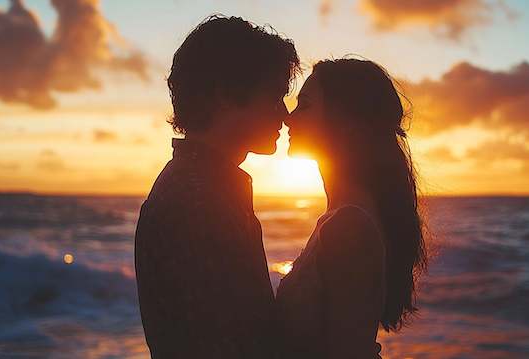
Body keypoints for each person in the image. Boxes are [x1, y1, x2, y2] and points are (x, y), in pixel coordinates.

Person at [134, 15, 299, 358]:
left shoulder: (206, 187)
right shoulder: (197, 200)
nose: (284, 114)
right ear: (225, 95)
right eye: (273, 97)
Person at [276, 58, 428, 358]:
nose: (288, 119)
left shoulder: (350, 226)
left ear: (344, 120)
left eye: (304, 106)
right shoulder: (341, 217)